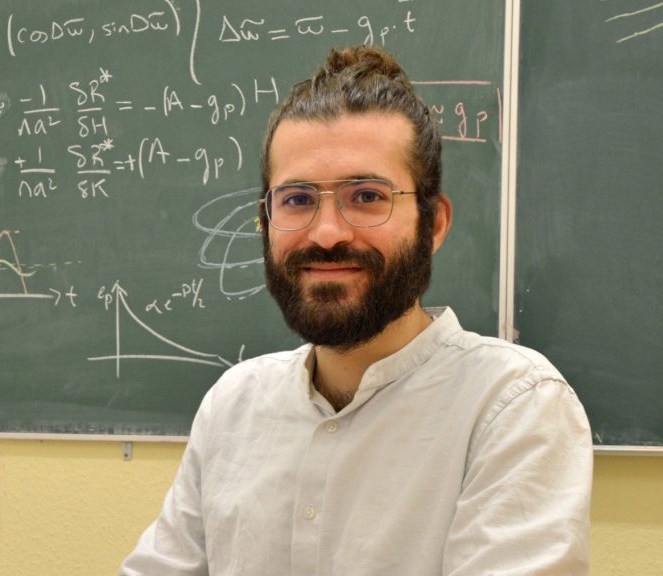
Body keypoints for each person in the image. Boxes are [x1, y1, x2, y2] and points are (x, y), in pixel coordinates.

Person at [121, 45, 592, 576]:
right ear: (267, 219)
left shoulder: (511, 406)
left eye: (366, 196)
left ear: (432, 223)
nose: (326, 234)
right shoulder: (235, 405)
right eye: (297, 199)